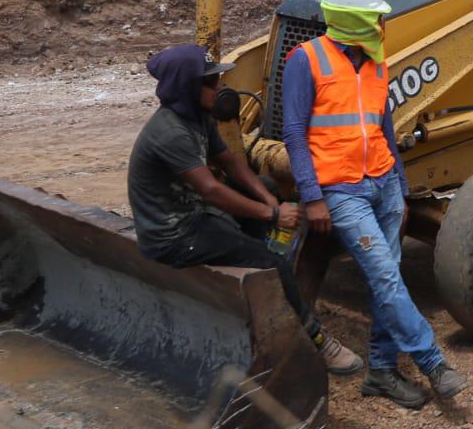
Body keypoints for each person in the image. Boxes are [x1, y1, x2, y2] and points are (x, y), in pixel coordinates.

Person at [282, 0, 468, 410]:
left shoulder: (377, 61)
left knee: (389, 280)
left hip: (382, 184)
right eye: (375, 18)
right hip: (342, 190)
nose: (383, 25)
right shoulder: (305, 61)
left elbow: (383, 128)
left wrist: (400, 190)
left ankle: (381, 371)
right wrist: (312, 196)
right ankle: (432, 362)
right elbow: (293, 132)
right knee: (384, 276)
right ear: (353, 21)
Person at [128, 43, 363, 375]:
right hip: (173, 236)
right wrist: (273, 215)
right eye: (210, 82)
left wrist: (268, 198)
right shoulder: (170, 133)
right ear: (187, 87)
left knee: (265, 187)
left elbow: (230, 161)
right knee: (271, 264)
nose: (219, 87)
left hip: (193, 216)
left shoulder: (197, 117)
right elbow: (210, 190)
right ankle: (319, 341)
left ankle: (258, 267)